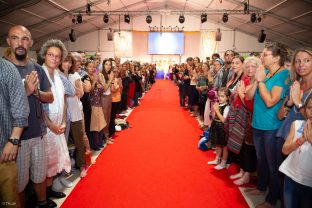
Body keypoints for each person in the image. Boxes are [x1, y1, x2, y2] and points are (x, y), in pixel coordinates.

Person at [6, 25, 55, 208]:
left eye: (25, 39)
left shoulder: (36, 68)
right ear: (8, 41)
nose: (20, 43)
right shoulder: (4, 70)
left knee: (40, 174)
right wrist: (26, 91)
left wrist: (36, 93)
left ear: (31, 43)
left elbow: (50, 97)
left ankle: (41, 202)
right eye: (15, 38)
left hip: (38, 133)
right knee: (18, 182)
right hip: (17, 138)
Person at [246, 43, 290, 208]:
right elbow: (249, 96)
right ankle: (261, 187)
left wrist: (261, 82)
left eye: (266, 54)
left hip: (272, 126)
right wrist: (257, 81)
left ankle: (272, 200)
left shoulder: (284, 75)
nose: (262, 57)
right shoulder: (263, 72)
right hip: (258, 123)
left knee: (273, 165)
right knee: (261, 160)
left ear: (277, 58)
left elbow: (271, 101)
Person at [39, 39, 71, 200]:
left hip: (59, 125)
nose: (54, 59)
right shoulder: (39, 74)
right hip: (45, 129)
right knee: (44, 164)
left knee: (53, 161)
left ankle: (49, 190)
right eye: (51, 55)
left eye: (57, 56)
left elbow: (64, 101)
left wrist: (64, 121)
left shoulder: (59, 76)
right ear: (44, 56)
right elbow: (39, 106)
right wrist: (51, 126)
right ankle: (41, 197)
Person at [0, 58, 29, 208]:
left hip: (3, 152)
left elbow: (21, 106)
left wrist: (14, 140)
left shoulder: (6, 69)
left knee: (9, 201)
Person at [279, 96, 312, 208]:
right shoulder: (297, 124)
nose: (311, 111)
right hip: (291, 176)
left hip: (309, 182)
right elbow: (284, 150)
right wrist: (301, 140)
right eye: (309, 107)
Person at [207, 87, 230, 170]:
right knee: (218, 144)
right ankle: (217, 159)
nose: (220, 98)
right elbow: (213, 117)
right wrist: (213, 111)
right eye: (219, 96)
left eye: (223, 96)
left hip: (222, 128)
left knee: (224, 145)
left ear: (227, 98)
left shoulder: (227, 107)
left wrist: (216, 110)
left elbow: (224, 120)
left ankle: (223, 162)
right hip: (216, 125)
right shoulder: (218, 105)